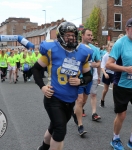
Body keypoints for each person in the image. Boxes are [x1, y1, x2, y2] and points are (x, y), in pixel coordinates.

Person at [33, 22, 93, 150]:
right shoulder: (52, 49)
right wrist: (42, 87)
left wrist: (80, 81)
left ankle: (43, 148)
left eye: (73, 35)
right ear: (60, 36)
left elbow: (89, 75)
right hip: (53, 97)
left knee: (54, 126)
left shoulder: (83, 52)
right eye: (68, 35)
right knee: (60, 130)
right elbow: (36, 69)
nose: (71, 38)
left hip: (70, 99)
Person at [106, 18, 132, 150]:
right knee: (122, 115)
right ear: (127, 29)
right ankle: (115, 139)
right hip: (122, 85)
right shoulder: (120, 43)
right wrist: (126, 69)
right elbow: (109, 64)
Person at [72, 28, 101, 136]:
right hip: (77, 78)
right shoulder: (76, 48)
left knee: (83, 100)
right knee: (79, 100)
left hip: (88, 78)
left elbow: (99, 62)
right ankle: (80, 125)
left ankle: (76, 112)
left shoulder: (94, 49)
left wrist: (93, 65)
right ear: (82, 35)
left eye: (91, 35)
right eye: (88, 35)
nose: (90, 37)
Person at [100, 41, 114, 107]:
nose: (112, 48)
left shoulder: (116, 55)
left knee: (115, 89)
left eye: (113, 47)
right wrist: (105, 73)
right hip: (107, 73)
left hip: (114, 74)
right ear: (108, 47)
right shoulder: (106, 56)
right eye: (111, 46)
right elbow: (102, 66)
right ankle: (102, 100)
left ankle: (116, 104)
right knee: (106, 89)